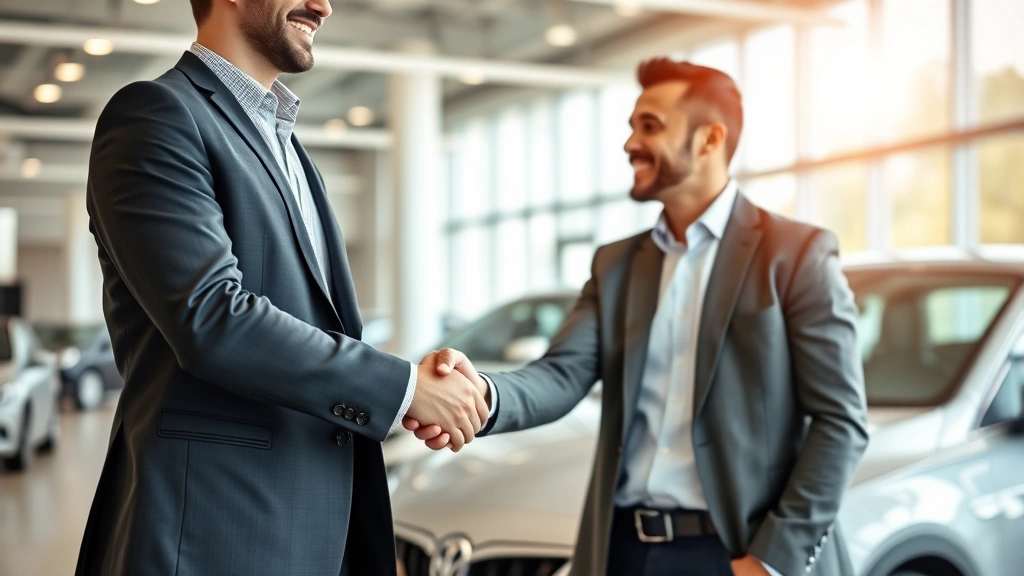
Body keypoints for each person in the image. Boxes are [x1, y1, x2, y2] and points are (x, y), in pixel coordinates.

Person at [411, 59, 869, 576]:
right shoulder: (617, 264)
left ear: (709, 139)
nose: (630, 143)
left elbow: (841, 420)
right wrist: (480, 395)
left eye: (649, 126)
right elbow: (560, 375)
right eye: (631, 127)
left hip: (739, 553)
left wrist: (771, 557)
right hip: (626, 552)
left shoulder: (796, 253)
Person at [75, 1, 486, 575]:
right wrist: (402, 388)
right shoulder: (156, 114)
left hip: (314, 529)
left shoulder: (289, 150)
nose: (323, 4)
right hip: (215, 535)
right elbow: (212, 317)